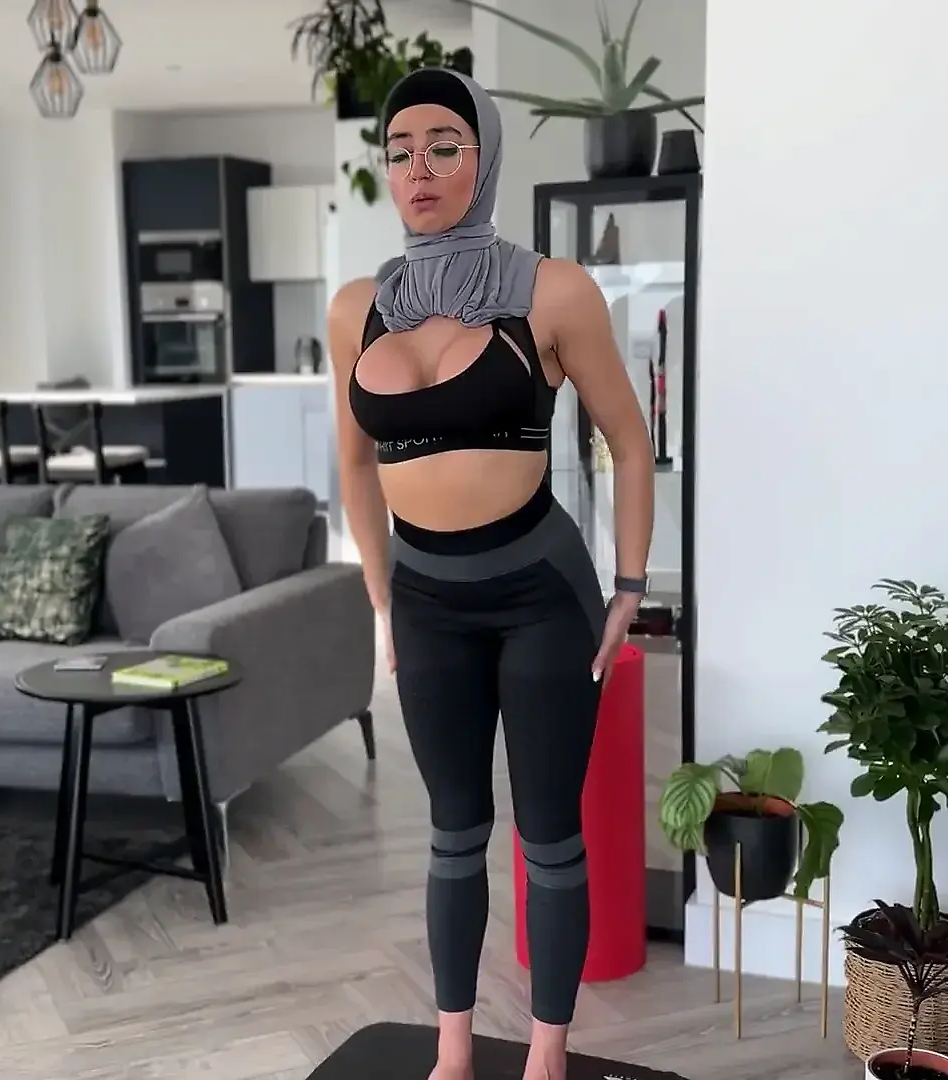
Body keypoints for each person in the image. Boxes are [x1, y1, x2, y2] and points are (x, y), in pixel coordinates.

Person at [328, 66, 657, 1080]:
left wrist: (630, 588)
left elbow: (629, 442)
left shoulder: (552, 291)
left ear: (486, 156)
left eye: (445, 146)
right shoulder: (358, 308)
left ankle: (547, 1057)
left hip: (540, 596)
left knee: (550, 835)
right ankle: (453, 1053)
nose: (419, 169)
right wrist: (381, 599)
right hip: (426, 599)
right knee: (453, 832)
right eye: (400, 151)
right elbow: (354, 466)